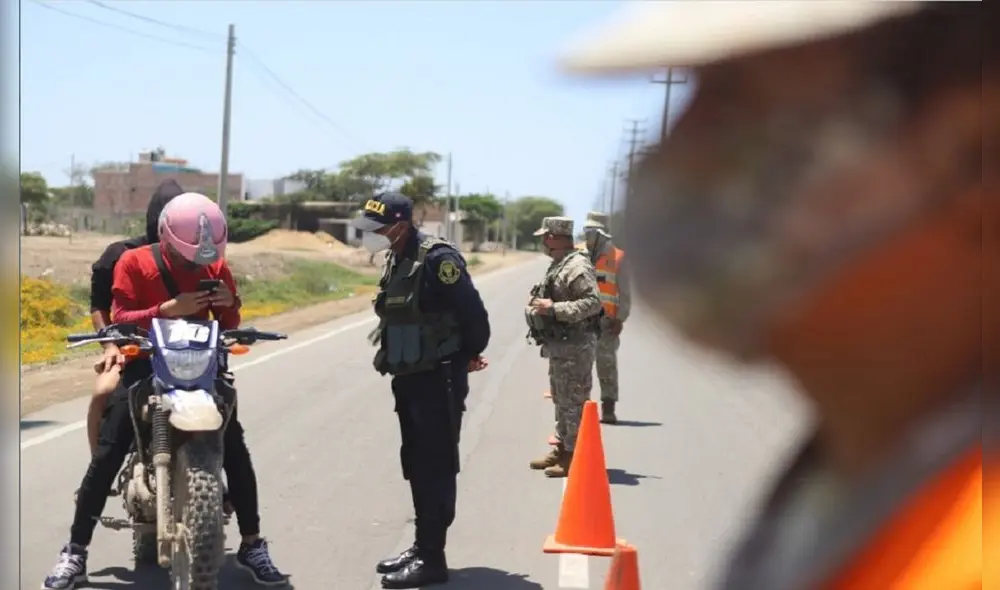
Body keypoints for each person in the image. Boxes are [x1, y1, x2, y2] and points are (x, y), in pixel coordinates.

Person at [559, 2, 991, 588]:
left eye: (740, 100)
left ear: (976, 148)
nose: (678, 153)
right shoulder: (869, 468)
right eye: (694, 93)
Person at [42, 192, 288, 590]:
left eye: (205, 257)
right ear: (168, 238)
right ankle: (75, 551)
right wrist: (167, 309)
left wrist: (228, 304)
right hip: (146, 363)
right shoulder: (132, 261)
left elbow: (228, 321)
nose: (198, 263)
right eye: (190, 255)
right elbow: (121, 316)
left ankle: (251, 543)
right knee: (109, 450)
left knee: (236, 450)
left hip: (203, 368)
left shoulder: (218, 264)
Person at [351, 191, 490, 589]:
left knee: (436, 465)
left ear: (399, 223)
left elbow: (474, 315)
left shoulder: (437, 259)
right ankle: (421, 545)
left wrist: (465, 354)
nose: (372, 234)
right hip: (411, 376)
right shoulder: (398, 254)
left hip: (438, 376)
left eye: (377, 228)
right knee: (415, 460)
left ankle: (433, 558)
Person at [86, 179, 183, 456]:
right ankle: (98, 470)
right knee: (102, 394)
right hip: (132, 351)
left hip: (182, 354)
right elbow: (99, 306)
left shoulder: (193, 257)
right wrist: (109, 346)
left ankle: (216, 486)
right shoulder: (120, 254)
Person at [526, 216, 602, 478]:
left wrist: (554, 308)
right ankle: (562, 448)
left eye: (544, 238)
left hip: (576, 347)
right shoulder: (560, 264)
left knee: (574, 401)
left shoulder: (577, 266)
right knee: (562, 399)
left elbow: (593, 303)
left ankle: (573, 456)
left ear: (552, 238)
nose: (543, 243)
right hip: (561, 346)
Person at [581, 211, 631, 424]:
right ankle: (580, 409)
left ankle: (608, 408)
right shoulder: (579, 255)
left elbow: (625, 292)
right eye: (586, 230)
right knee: (579, 366)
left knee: (606, 365)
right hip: (580, 320)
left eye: (592, 231)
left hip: (606, 322)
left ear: (602, 233)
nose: (588, 235)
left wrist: (620, 318)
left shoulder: (618, 258)